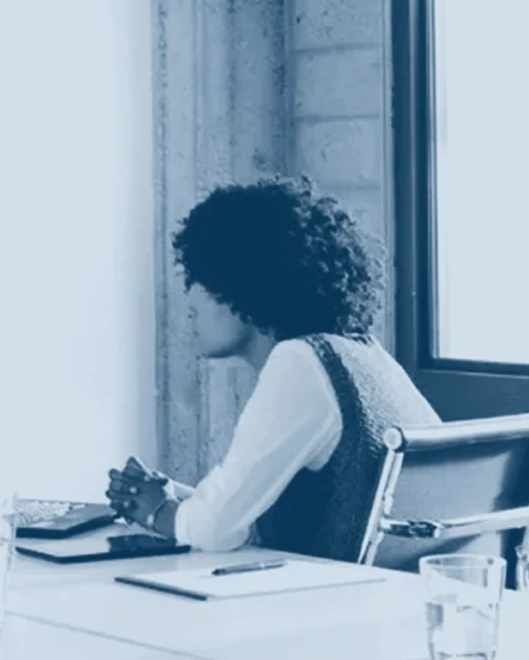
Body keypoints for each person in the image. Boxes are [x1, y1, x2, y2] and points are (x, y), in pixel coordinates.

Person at [104, 179, 438, 559]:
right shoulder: (361, 356)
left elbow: (215, 531)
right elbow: (236, 514)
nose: (189, 298)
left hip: (329, 607)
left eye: (202, 277)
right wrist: (171, 497)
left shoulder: (300, 364)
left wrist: (158, 512)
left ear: (249, 282)